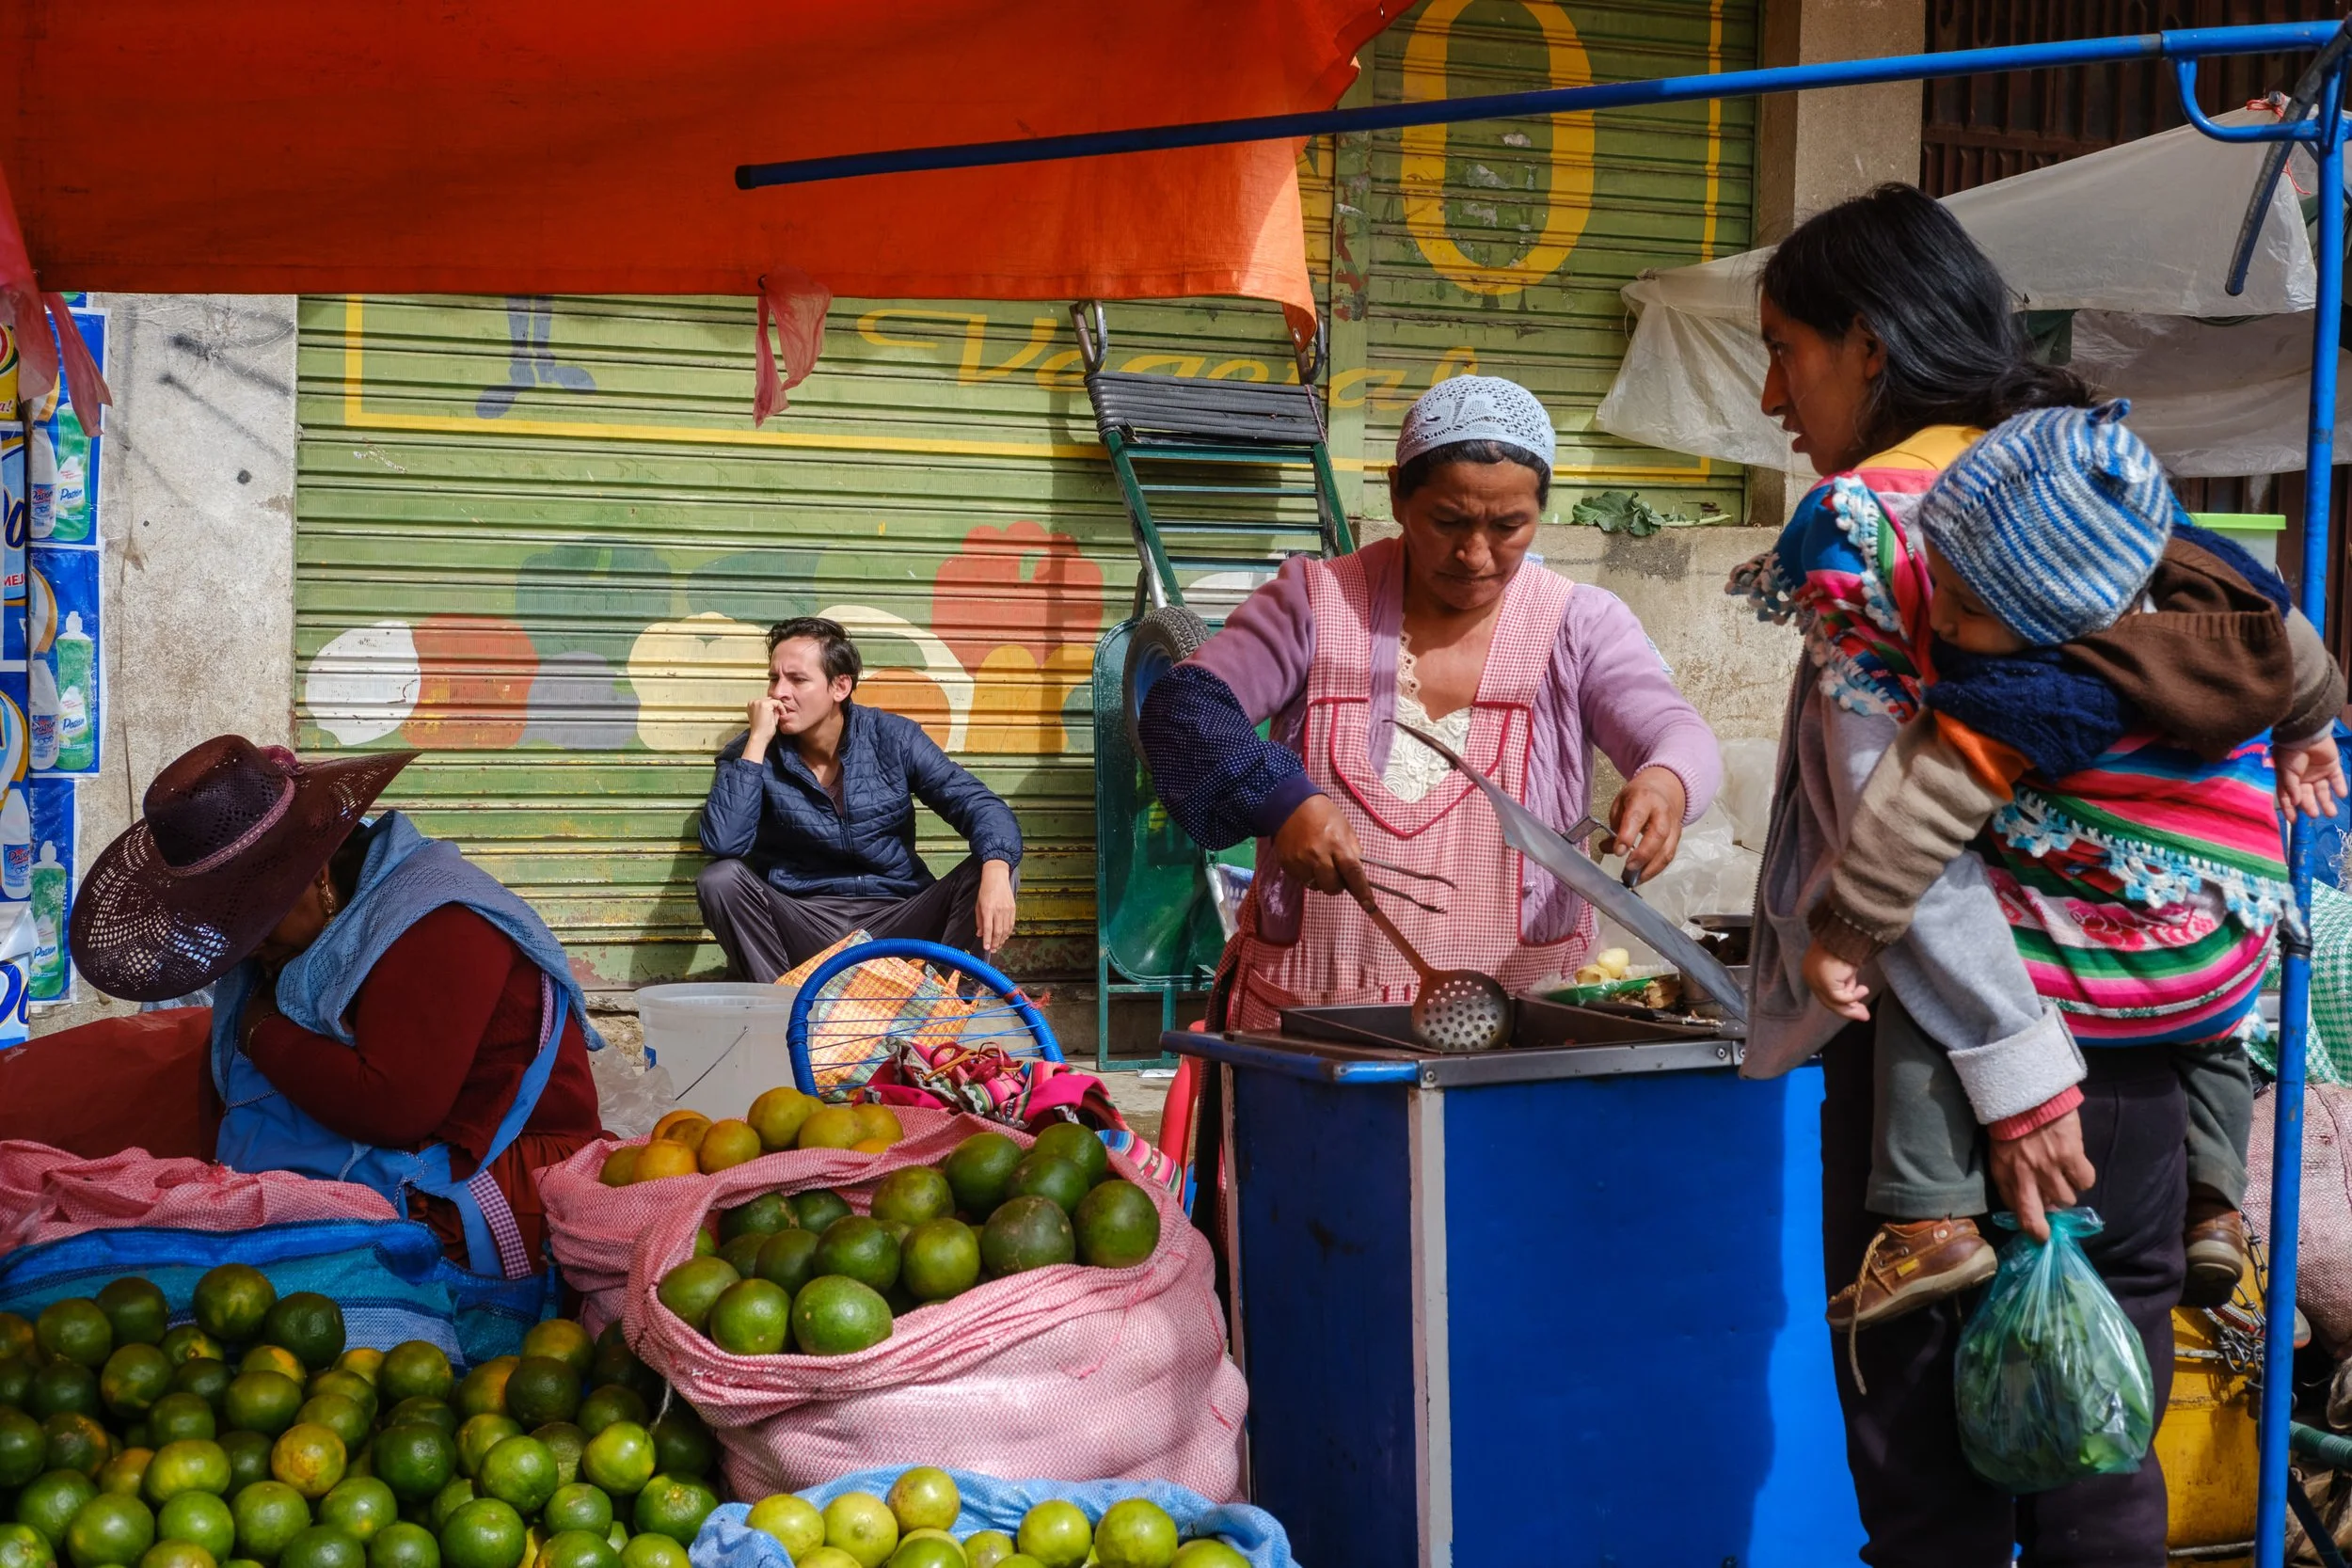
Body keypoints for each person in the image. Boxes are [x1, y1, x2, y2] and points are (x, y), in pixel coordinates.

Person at [1728, 182, 2188, 1561]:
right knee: (2100, 1458)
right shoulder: (2093, 482)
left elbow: (1897, 827)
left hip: (1949, 1059)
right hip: (2146, 1027)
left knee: (1933, 1497)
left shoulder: (1864, 520)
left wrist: (2012, 1062)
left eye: (1787, 348)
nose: (1769, 393)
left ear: (1868, 345)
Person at [1796, 401, 2345, 1323]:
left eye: (1969, 609)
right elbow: (2296, 650)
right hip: (2211, 960)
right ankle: (2212, 1202)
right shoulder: (2216, 587)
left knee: (1918, 971)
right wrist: (2311, 731)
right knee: (2224, 1008)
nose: (1951, 623)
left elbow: (1910, 824)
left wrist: (1843, 933)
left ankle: (1928, 1219)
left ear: (2058, 615)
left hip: (2089, 994)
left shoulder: (2025, 691)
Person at [1137, 374, 1720, 1028]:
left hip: (1520, 1035)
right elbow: (1185, 709)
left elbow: (1676, 731)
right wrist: (1281, 799)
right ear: (1397, 495)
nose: (1475, 555)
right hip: (1308, 1031)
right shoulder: (1315, 603)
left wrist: (1665, 784)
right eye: (1448, 521)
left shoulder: (1578, 625)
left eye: (1509, 526)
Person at [69, 736, 605, 1276]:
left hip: (493, 1177)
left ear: (316, 876)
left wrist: (259, 1028)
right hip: (403, 1154)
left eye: (255, 923)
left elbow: (391, 1108)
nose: (247, 948)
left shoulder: (438, 923)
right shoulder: (327, 931)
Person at [696, 615, 1020, 980]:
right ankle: (785, 1019)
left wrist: (995, 870)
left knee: (993, 865)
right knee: (720, 880)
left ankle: (935, 1019)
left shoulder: (892, 738)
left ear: (840, 687)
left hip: (897, 921)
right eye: (774, 678)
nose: (777, 693)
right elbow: (724, 843)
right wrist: (756, 743)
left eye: (797, 679)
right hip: (806, 923)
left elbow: (980, 805)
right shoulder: (750, 752)